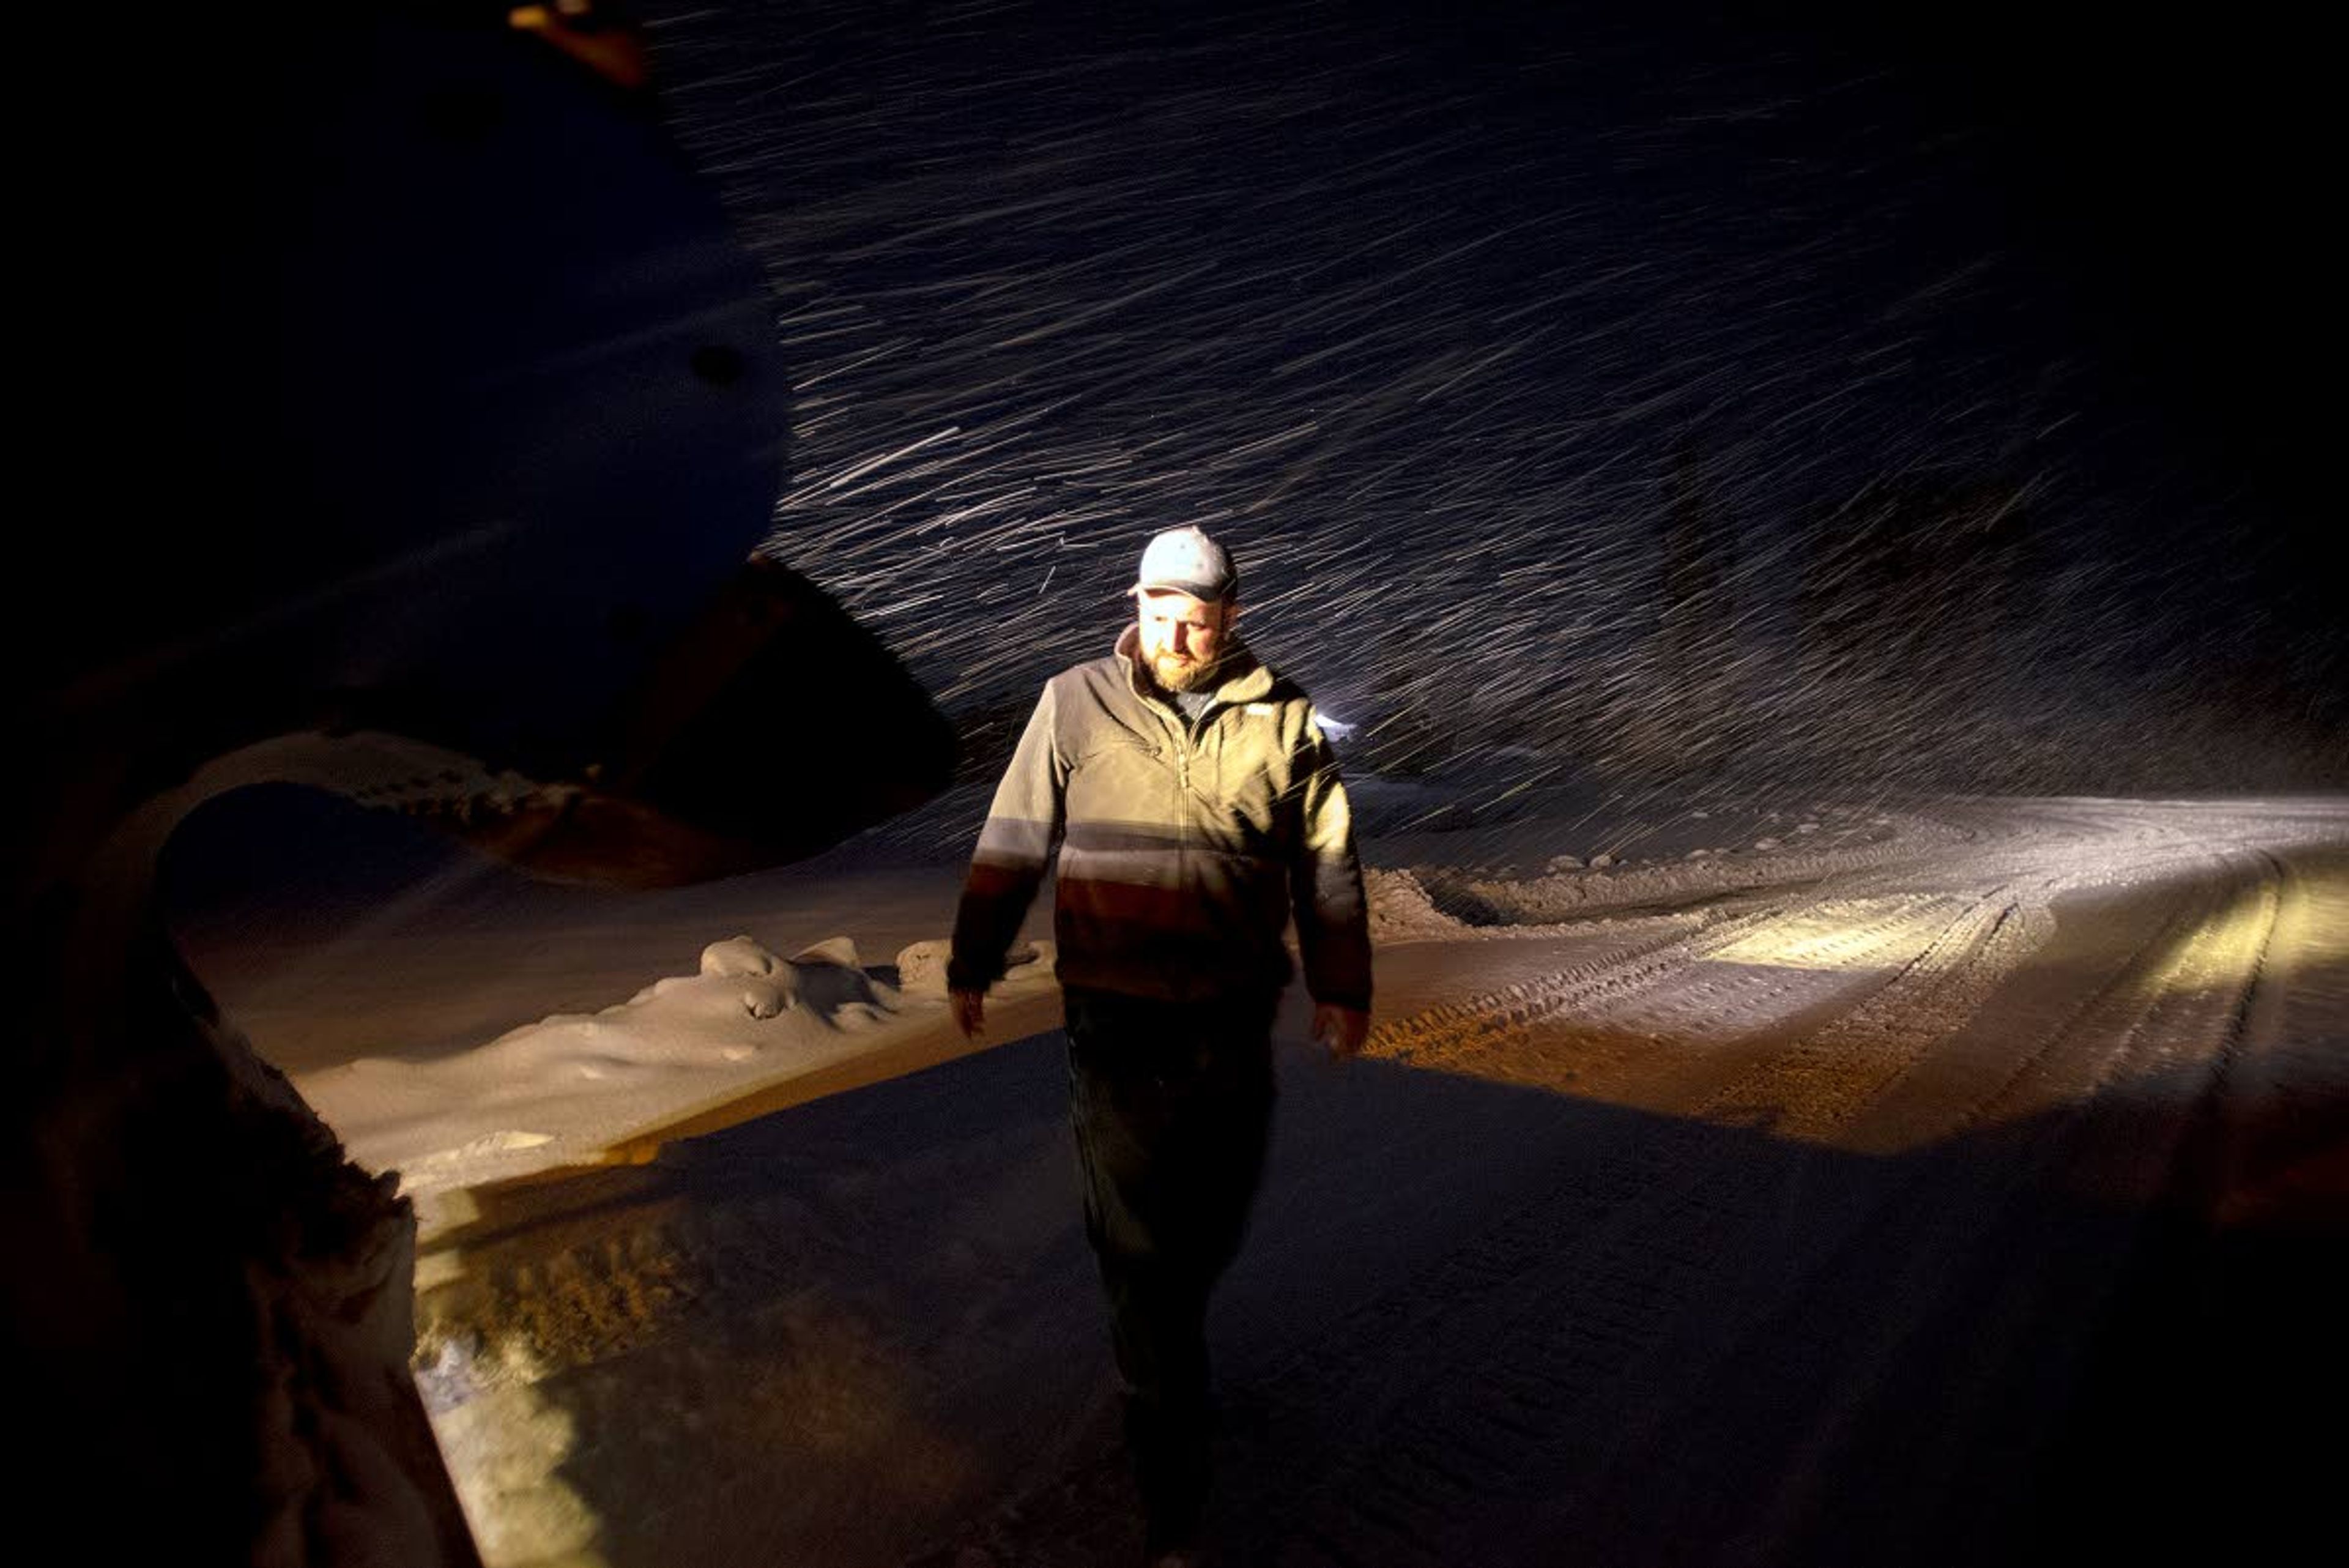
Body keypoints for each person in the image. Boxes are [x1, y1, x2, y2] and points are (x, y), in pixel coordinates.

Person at [949, 524, 1373, 1564]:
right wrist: (976, 953)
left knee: (1212, 1218)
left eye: (1196, 615)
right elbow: (1013, 838)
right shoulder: (1074, 702)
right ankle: (1170, 1473)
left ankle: (1161, 1331)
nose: (1175, 633)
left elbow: (1327, 862)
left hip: (1231, 1013)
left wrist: (1341, 982)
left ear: (1232, 616)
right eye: (1158, 612)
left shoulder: (1285, 719)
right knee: (1143, 1249)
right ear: (1133, 607)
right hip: (1117, 1012)